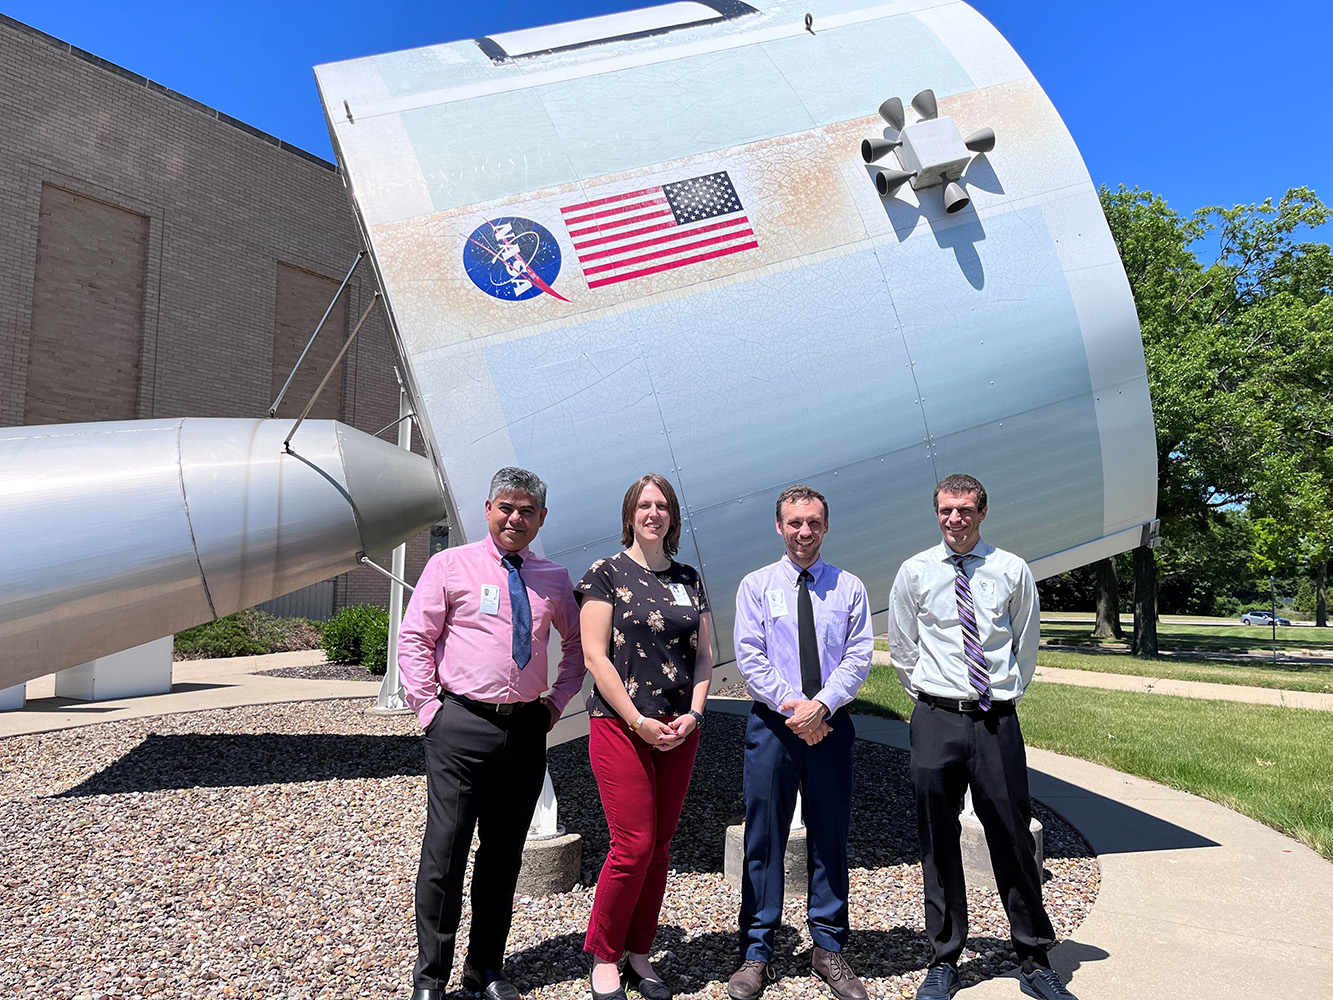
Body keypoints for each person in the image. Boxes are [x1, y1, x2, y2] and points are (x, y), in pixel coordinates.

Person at [887, 474, 1078, 1000]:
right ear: (937, 513)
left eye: (965, 510)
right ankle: (945, 957)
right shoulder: (915, 572)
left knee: (1013, 832)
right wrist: (933, 697)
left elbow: (1025, 645)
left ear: (983, 511)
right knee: (937, 836)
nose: (955, 520)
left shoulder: (1011, 571)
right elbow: (902, 646)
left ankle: (1034, 957)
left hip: (995, 719)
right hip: (935, 717)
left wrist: (997, 694)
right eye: (946, 510)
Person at [398, 467, 585, 1000]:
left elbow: (576, 649)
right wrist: (428, 710)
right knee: (444, 854)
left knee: (503, 856)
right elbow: (415, 638)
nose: (515, 518)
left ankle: (486, 968)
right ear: (487, 509)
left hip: (525, 729)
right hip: (459, 724)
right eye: (506, 507)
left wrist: (555, 704)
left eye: (527, 510)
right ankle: (430, 979)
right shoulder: (449, 565)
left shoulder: (553, 579)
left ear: (541, 518)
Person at [728, 485, 874, 1000]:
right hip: (774, 728)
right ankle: (757, 950)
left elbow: (859, 656)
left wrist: (822, 706)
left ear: (826, 526)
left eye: (813, 522)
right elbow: (750, 656)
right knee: (763, 838)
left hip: (831, 727)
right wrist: (797, 707)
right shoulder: (755, 586)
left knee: (829, 834)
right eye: (794, 523)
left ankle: (829, 947)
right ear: (779, 526)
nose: (804, 532)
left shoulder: (848, 588)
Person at [578, 473, 714, 1000]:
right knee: (631, 846)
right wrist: (637, 720)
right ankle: (605, 954)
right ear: (629, 514)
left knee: (659, 848)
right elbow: (595, 655)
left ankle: (640, 952)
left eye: (662, 505)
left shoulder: (689, 577)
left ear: (673, 516)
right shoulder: (605, 574)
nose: (653, 513)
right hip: (621, 726)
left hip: (680, 729)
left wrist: (695, 715)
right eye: (644, 505)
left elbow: (704, 655)